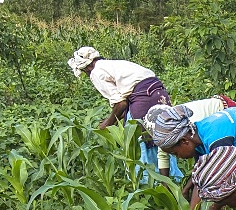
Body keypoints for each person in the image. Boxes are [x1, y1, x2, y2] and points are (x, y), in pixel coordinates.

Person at [67, 46, 171, 176]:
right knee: (166, 137)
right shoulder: (113, 64)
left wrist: (107, 124)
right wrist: (113, 120)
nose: (86, 74)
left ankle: (148, 184)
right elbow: (125, 104)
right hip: (159, 94)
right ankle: (172, 183)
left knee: (140, 144)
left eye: (84, 71)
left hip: (143, 98)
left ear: (86, 67)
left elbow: (120, 103)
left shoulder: (96, 72)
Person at [142, 95, 236, 179]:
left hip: (226, 113)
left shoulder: (187, 125)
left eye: (176, 153)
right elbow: (162, 154)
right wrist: (166, 185)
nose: (178, 157)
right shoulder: (169, 128)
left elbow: (213, 162)